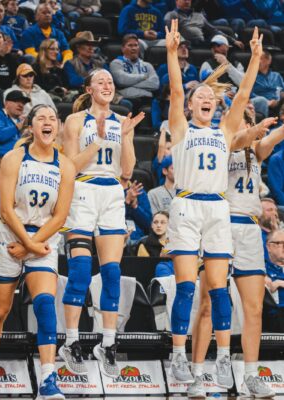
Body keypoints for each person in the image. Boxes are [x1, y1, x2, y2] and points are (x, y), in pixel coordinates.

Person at [163, 20, 262, 386]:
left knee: (219, 287)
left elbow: (242, 94)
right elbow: (174, 90)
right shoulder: (182, 129)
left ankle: (222, 359)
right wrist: (172, 53)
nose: (207, 100)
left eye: (211, 97)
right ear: (191, 106)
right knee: (188, 286)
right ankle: (177, 355)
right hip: (187, 206)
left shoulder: (224, 131)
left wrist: (254, 59)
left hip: (218, 208)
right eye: (200, 97)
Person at [0, 104, 75, 399]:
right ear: (31, 126)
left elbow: (60, 217)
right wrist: (28, 244)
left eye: (52, 118)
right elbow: (7, 210)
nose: (48, 122)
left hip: (43, 235)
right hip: (10, 232)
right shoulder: (13, 159)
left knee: (46, 304)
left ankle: (49, 379)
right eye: (41, 118)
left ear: (58, 126)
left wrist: (31, 247)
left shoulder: (66, 166)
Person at [188, 111, 282, 398]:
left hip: (250, 229)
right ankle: (197, 374)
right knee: (207, 305)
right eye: (240, 118)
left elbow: (273, 137)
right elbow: (238, 138)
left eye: (247, 117)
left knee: (254, 308)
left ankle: (251, 375)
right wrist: (253, 129)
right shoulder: (220, 143)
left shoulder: (256, 149)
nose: (245, 123)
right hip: (221, 225)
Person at [58, 69, 144, 377]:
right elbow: (69, 166)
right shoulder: (75, 121)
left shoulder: (123, 122)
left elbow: (127, 170)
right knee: (80, 271)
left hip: (112, 192)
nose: (107, 85)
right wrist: (99, 141)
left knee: (112, 271)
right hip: (82, 188)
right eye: (101, 82)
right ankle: (71, 341)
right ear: (89, 89)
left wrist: (124, 136)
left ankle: (107, 343)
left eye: (110, 81)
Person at [110, 33, 160, 113]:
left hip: (147, 100)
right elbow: (122, 81)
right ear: (123, 48)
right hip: (129, 99)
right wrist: (143, 77)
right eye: (130, 45)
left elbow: (155, 84)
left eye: (136, 45)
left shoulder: (147, 65)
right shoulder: (116, 63)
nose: (134, 48)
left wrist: (129, 85)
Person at [164, 0, 244, 48]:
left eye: (189, 0)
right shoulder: (172, 15)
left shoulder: (198, 15)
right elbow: (171, 33)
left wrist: (233, 41)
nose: (187, 1)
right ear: (176, 1)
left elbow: (214, 30)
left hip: (202, 43)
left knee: (222, 43)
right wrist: (182, 43)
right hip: (185, 44)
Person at [0, 90, 30, 158]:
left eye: (23, 103)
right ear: (6, 103)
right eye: (16, 101)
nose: (21, 105)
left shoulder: (20, 122)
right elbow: (0, 135)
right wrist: (17, 127)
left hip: (20, 159)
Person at [252, 50, 284, 118]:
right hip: (261, 103)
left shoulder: (277, 75)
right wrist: (268, 102)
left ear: (268, 61)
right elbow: (249, 94)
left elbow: (282, 91)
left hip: (278, 103)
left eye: (260, 58)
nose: (257, 61)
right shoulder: (252, 76)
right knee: (262, 101)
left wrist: (279, 99)